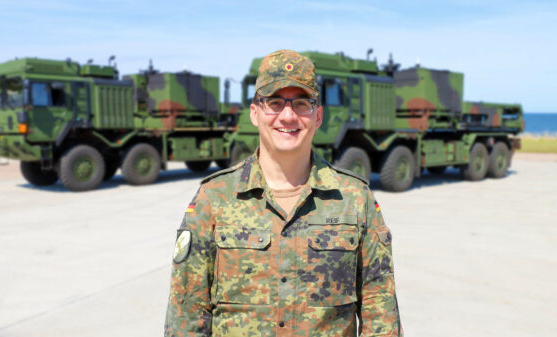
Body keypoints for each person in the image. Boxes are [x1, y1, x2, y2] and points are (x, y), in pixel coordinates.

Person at [165, 49, 403, 337]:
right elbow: (187, 310)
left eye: (302, 103)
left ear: (318, 116)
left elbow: (380, 310)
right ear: (255, 113)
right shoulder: (214, 198)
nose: (288, 116)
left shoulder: (354, 198)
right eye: (275, 102)